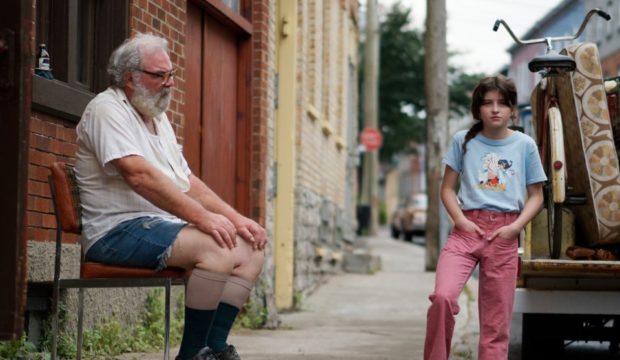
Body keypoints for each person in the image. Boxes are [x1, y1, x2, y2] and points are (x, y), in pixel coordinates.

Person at [74, 32, 266, 360]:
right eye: (159, 75)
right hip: (115, 231)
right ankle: (191, 355)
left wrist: (237, 219)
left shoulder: (158, 119)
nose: (169, 83)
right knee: (218, 246)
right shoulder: (106, 110)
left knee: (251, 248)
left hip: (158, 227)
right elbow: (139, 175)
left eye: (171, 74)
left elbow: (185, 181)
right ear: (129, 78)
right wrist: (203, 218)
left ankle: (215, 350)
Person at [423, 75, 546, 360]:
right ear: (478, 109)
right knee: (443, 297)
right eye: (487, 103)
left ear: (513, 109)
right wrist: (461, 221)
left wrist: (515, 228)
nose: (495, 109)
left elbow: (537, 196)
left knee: (495, 325)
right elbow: (447, 190)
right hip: (466, 232)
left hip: (504, 235)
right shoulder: (463, 141)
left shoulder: (524, 145)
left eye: (502, 103)